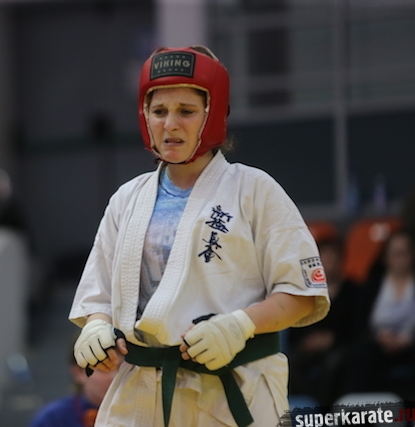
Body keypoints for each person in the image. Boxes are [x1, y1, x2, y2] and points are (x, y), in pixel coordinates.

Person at [68, 45, 330, 427]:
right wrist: (96, 327)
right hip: (139, 393)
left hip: (231, 390)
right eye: (159, 111)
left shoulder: (254, 190)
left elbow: (302, 293)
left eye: (186, 111)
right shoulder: (127, 198)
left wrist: (240, 325)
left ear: (214, 115)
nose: (170, 124)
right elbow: (98, 294)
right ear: (144, 116)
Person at [286, 236, 362, 406]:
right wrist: (306, 341)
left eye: (333, 259)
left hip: (340, 347)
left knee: (333, 363)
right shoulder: (306, 292)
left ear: (341, 261)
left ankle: (326, 408)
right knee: (290, 362)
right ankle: (308, 404)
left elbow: (357, 328)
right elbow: (294, 329)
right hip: (309, 347)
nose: (329, 264)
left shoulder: (353, 291)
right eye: (325, 259)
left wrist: (332, 340)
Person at [340, 231, 415, 397]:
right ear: (385, 257)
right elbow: (360, 322)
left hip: (410, 344)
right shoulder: (372, 286)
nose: (400, 259)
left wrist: (405, 339)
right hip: (377, 343)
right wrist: (379, 337)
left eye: (404, 253)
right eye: (395, 254)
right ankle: (355, 407)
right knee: (358, 355)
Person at [29, 333, 117, 427]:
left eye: (122, 369)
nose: (115, 377)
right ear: (78, 372)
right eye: (104, 369)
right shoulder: (52, 419)